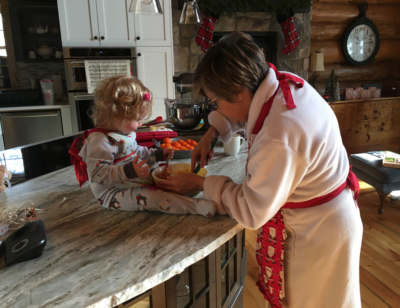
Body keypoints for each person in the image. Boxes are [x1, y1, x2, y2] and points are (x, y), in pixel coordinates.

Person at [157, 32, 363, 308]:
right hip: (330, 218)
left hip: (318, 235)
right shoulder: (276, 84)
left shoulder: (279, 134)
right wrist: (211, 132)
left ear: (239, 92)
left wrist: (203, 184)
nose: (216, 107)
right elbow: (248, 112)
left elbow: (252, 211)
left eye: (216, 102)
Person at [76, 76, 216, 217]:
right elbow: (97, 174)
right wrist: (128, 171)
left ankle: (186, 198)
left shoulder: (125, 132)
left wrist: (157, 155)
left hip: (132, 182)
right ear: (116, 114)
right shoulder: (99, 141)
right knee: (152, 198)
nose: (141, 124)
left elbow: (136, 151)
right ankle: (195, 207)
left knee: (164, 180)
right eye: (137, 119)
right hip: (113, 193)